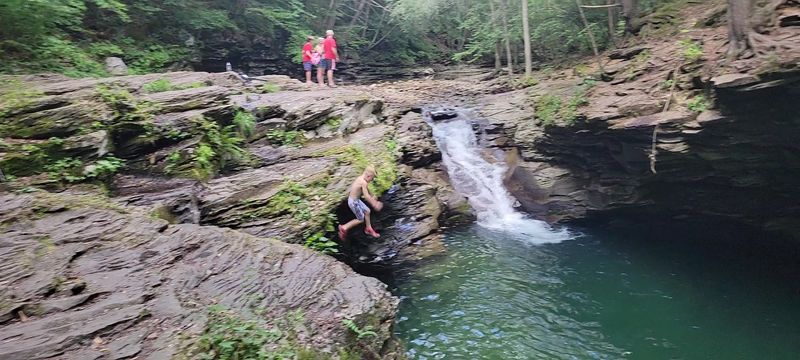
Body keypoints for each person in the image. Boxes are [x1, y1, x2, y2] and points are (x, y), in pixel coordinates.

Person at [339, 166, 382, 240]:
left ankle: (368, 228)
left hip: (356, 200)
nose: (371, 180)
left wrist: (372, 195)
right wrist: (374, 203)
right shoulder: (363, 182)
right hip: (354, 203)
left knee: (367, 211)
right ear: (369, 176)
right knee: (360, 219)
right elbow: (366, 196)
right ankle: (344, 227)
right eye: (372, 178)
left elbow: (367, 190)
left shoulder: (361, 179)